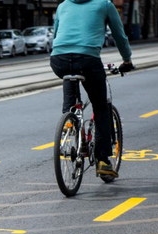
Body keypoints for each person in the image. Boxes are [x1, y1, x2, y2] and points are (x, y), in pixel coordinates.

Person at [50, 0, 133, 178]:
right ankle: (103, 160)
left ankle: (69, 117)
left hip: (58, 60)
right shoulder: (105, 5)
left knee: (69, 74)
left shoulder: (63, 5)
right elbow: (120, 36)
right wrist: (127, 60)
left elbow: (56, 34)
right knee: (101, 106)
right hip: (88, 59)